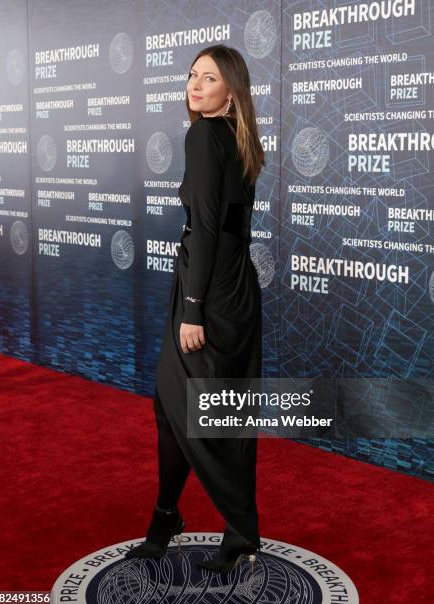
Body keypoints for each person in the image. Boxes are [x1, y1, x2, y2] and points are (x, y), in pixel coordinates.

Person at [125, 44, 265, 574]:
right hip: (235, 287)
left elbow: (205, 227)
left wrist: (192, 309)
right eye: (192, 76)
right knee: (195, 409)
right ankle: (183, 520)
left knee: (187, 409)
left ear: (231, 91)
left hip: (207, 292)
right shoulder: (239, 138)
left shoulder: (203, 134)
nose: (195, 85)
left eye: (209, 78)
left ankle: (225, 524)